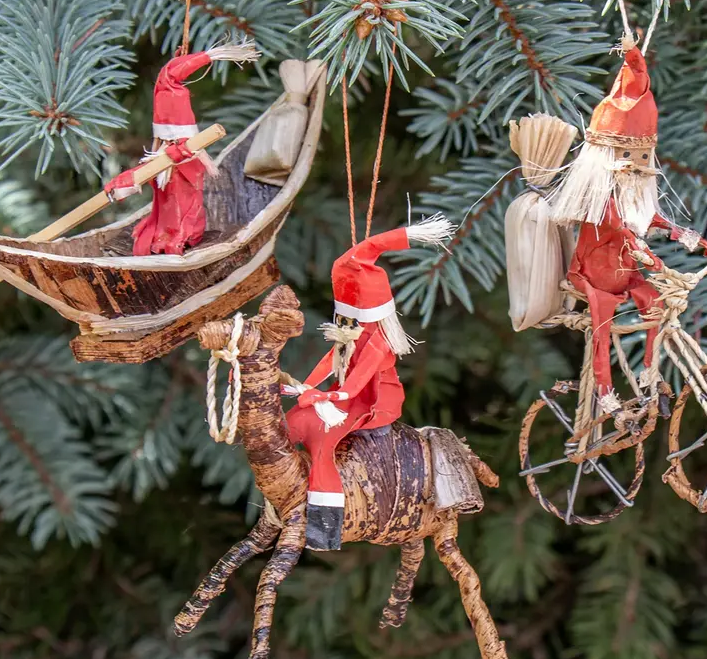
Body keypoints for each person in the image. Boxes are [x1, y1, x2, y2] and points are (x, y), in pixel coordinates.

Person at [549, 43, 707, 415]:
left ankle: (649, 375)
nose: (638, 166)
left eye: (643, 157)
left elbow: (660, 223)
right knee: (601, 324)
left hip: (626, 277)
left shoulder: (634, 200)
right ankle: (605, 394)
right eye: (628, 157)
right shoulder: (603, 203)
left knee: (655, 304)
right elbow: (631, 239)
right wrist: (659, 266)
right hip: (593, 280)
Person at [285, 216, 453, 551]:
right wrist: (303, 386)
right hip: (345, 399)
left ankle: (325, 527)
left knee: (324, 444)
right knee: (294, 422)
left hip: (373, 404)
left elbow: (357, 381)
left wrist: (326, 396)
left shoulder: (378, 342)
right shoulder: (351, 332)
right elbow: (332, 361)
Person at [104, 43, 257, 255]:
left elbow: (173, 152)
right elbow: (152, 166)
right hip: (174, 167)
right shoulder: (168, 147)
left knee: (184, 203)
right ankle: (170, 234)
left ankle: (183, 234)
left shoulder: (180, 149)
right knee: (170, 201)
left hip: (183, 168)